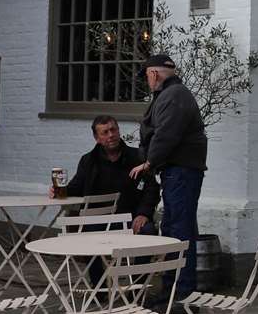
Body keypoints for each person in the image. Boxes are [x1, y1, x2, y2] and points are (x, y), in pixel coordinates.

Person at [130, 53, 208, 299]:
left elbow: (166, 134)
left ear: (153, 74)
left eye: (147, 77)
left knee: (179, 230)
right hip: (178, 171)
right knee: (174, 227)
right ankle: (174, 289)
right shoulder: (174, 94)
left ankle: (181, 293)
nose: (147, 81)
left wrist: (149, 162)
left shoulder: (174, 96)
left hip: (180, 172)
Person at [54, 115, 158, 229]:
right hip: (96, 220)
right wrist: (59, 190)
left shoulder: (137, 157)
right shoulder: (88, 161)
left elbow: (151, 188)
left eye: (113, 130)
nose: (111, 135)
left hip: (129, 218)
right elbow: (77, 187)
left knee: (147, 229)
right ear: (97, 138)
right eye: (105, 132)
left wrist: (143, 213)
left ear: (118, 131)